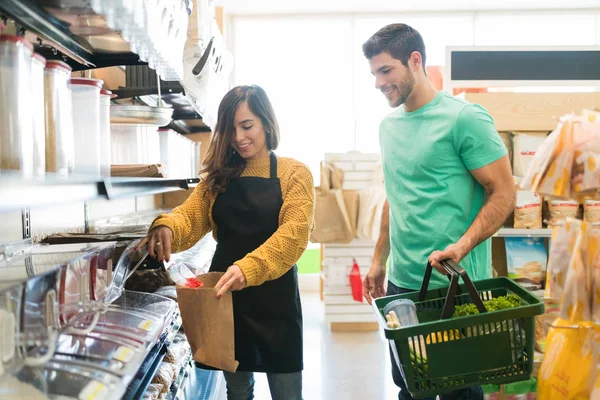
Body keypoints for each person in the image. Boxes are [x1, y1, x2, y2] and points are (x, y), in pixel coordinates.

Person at [361, 24, 516, 400]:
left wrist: (461, 246)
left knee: (458, 390)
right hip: (403, 285)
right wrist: (379, 259)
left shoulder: (464, 119)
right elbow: (396, 197)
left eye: (386, 71)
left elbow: (504, 194)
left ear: (415, 61)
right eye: (374, 74)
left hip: (455, 287)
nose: (379, 83)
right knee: (410, 388)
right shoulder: (388, 126)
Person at [139, 85, 315, 400]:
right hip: (226, 299)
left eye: (246, 126)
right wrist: (166, 225)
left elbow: (294, 233)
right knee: (237, 391)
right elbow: (190, 218)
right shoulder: (219, 177)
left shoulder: (294, 173)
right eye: (230, 129)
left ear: (266, 123)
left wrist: (249, 268)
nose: (238, 137)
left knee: (288, 393)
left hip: (277, 302)